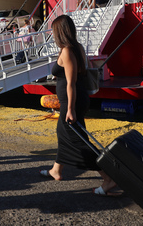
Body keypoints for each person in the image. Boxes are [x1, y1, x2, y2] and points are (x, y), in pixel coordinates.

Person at [39, 15, 119, 196]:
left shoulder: (67, 51)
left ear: (59, 32)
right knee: (64, 133)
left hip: (72, 101)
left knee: (80, 141)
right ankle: (56, 171)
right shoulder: (78, 48)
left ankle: (108, 179)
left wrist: (70, 109)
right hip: (76, 99)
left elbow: (71, 83)